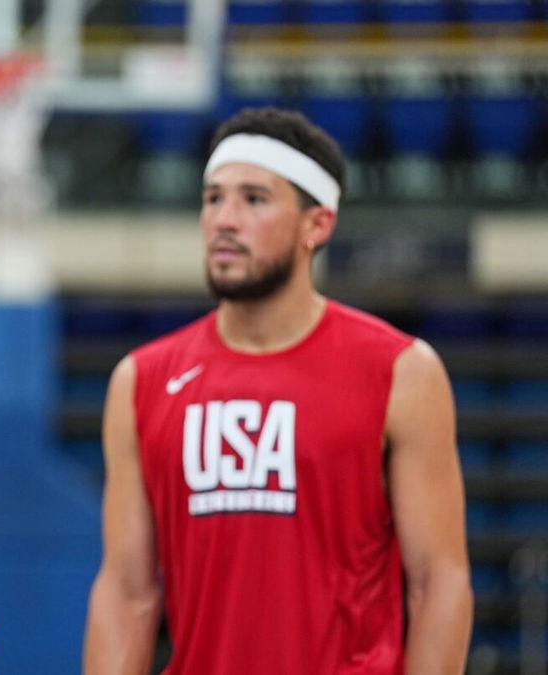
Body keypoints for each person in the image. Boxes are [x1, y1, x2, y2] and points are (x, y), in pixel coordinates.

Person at [83, 107, 472, 673]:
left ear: (318, 224)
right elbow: (127, 591)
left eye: (254, 199)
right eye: (213, 198)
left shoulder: (401, 371)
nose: (224, 219)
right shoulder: (142, 380)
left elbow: (438, 582)